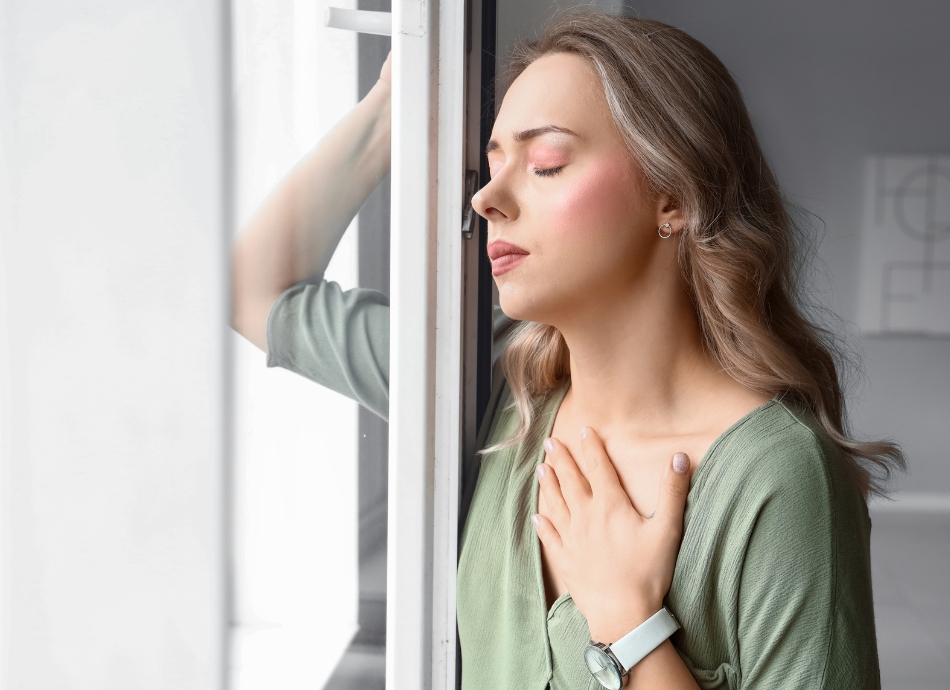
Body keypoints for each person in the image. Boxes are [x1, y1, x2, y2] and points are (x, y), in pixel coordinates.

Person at [230, 9, 905, 689]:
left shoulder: (777, 480)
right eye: (490, 166)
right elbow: (253, 291)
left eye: (546, 163)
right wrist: (391, 106)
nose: (488, 198)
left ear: (672, 195)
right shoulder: (484, 388)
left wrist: (629, 621)